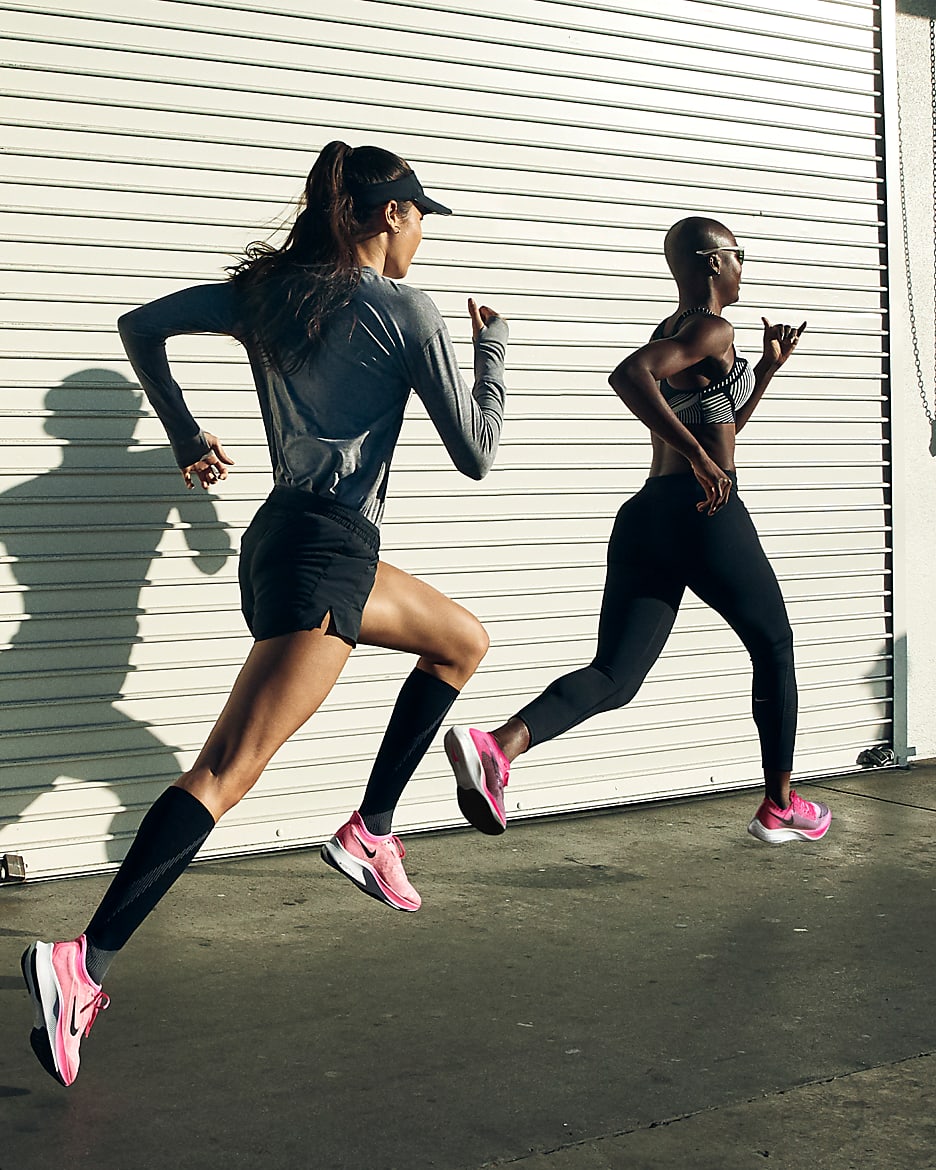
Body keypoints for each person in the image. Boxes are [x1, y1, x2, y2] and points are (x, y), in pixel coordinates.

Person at [21, 141, 508, 1086]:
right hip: (323, 558)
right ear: (381, 216)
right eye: (415, 217)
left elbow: (139, 326)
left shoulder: (276, 293)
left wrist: (181, 434)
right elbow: (478, 451)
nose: (420, 235)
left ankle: (372, 827)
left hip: (297, 541)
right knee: (224, 772)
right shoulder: (406, 311)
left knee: (460, 641)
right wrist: (492, 354)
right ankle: (83, 962)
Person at [444, 216, 831, 850]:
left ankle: (497, 747)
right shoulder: (711, 328)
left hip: (649, 514)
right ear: (712, 263)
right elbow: (631, 379)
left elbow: (718, 424)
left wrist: (764, 374)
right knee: (775, 644)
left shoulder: (676, 332)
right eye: (738, 254)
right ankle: (781, 805)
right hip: (701, 514)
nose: (744, 265)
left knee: (614, 677)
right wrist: (706, 465)